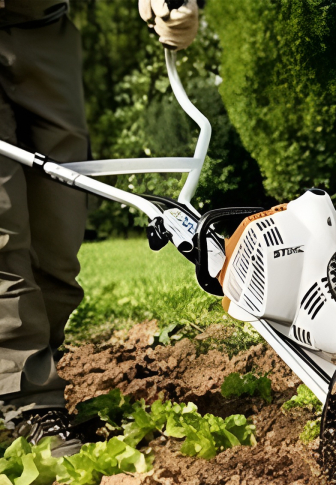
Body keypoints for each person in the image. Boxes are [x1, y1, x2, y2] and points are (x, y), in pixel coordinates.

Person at [0, 0, 198, 455]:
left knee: (58, 234)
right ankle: (28, 405)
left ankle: (23, 372)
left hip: (42, 23)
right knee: (3, 230)